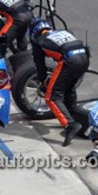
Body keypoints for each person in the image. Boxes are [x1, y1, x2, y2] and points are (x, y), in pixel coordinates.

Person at [28, 17, 88, 146]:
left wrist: (43, 81)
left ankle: (70, 125)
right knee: (69, 88)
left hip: (70, 61)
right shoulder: (64, 31)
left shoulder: (38, 42)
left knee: (51, 97)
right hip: (85, 58)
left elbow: (40, 67)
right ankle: (75, 116)